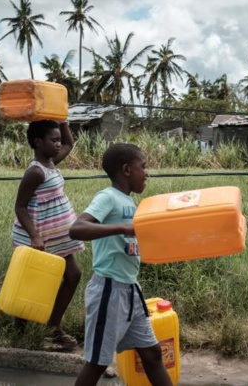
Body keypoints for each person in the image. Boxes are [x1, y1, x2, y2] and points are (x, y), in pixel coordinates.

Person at [70, 143, 172, 386]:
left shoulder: (130, 203)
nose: (147, 173)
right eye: (143, 167)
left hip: (130, 291)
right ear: (126, 170)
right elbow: (77, 228)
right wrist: (123, 228)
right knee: (97, 363)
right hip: (109, 291)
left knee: (152, 353)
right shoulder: (108, 197)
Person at [12, 120, 84, 349]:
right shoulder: (36, 171)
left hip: (56, 237)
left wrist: (62, 119)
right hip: (37, 237)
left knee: (73, 275)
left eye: (58, 140)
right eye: (53, 140)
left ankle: (53, 327)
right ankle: (21, 333)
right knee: (29, 284)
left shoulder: (52, 162)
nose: (58, 144)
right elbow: (20, 207)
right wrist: (34, 237)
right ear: (38, 142)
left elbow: (70, 144)